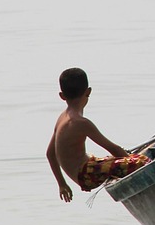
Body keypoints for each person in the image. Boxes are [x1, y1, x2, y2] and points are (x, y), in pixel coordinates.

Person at [46, 67, 149, 202]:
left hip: (86, 169)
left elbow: (50, 154)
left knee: (123, 159)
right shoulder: (81, 123)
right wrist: (133, 162)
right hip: (86, 175)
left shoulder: (62, 118)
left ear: (62, 96)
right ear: (88, 91)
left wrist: (62, 184)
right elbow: (113, 149)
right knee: (143, 161)